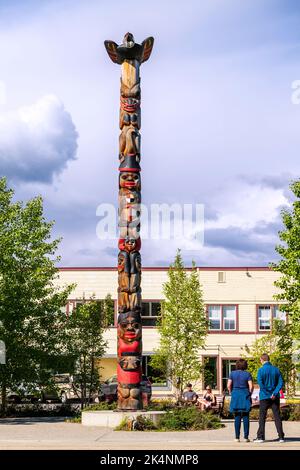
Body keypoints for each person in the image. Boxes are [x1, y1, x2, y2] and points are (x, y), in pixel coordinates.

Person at [253, 353, 285, 443]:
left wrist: (268, 393)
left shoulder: (261, 370)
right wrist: (274, 393)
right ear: (269, 359)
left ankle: (261, 437)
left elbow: (261, 383)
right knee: (277, 416)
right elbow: (280, 382)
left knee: (262, 417)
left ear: (262, 360)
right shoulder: (276, 370)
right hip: (275, 397)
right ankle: (281, 437)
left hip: (264, 396)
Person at [227, 359, 253, 442]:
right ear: (245, 365)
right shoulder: (247, 374)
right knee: (246, 416)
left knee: (237, 416)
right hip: (245, 394)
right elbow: (251, 386)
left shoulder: (232, 374)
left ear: (237, 365)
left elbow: (228, 385)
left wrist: (231, 392)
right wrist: (250, 393)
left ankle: (237, 437)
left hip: (235, 394)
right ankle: (246, 437)